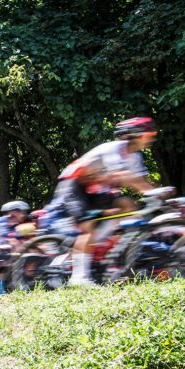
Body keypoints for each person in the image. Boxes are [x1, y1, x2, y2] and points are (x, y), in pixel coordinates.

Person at [49, 117, 162, 285]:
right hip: (75, 185)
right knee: (88, 228)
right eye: (148, 135)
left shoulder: (135, 157)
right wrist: (152, 191)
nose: (151, 139)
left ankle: (105, 250)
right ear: (135, 135)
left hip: (98, 189)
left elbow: (141, 182)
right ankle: (79, 277)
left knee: (128, 206)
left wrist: (157, 194)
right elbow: (122, 176)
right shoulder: (113, 149)